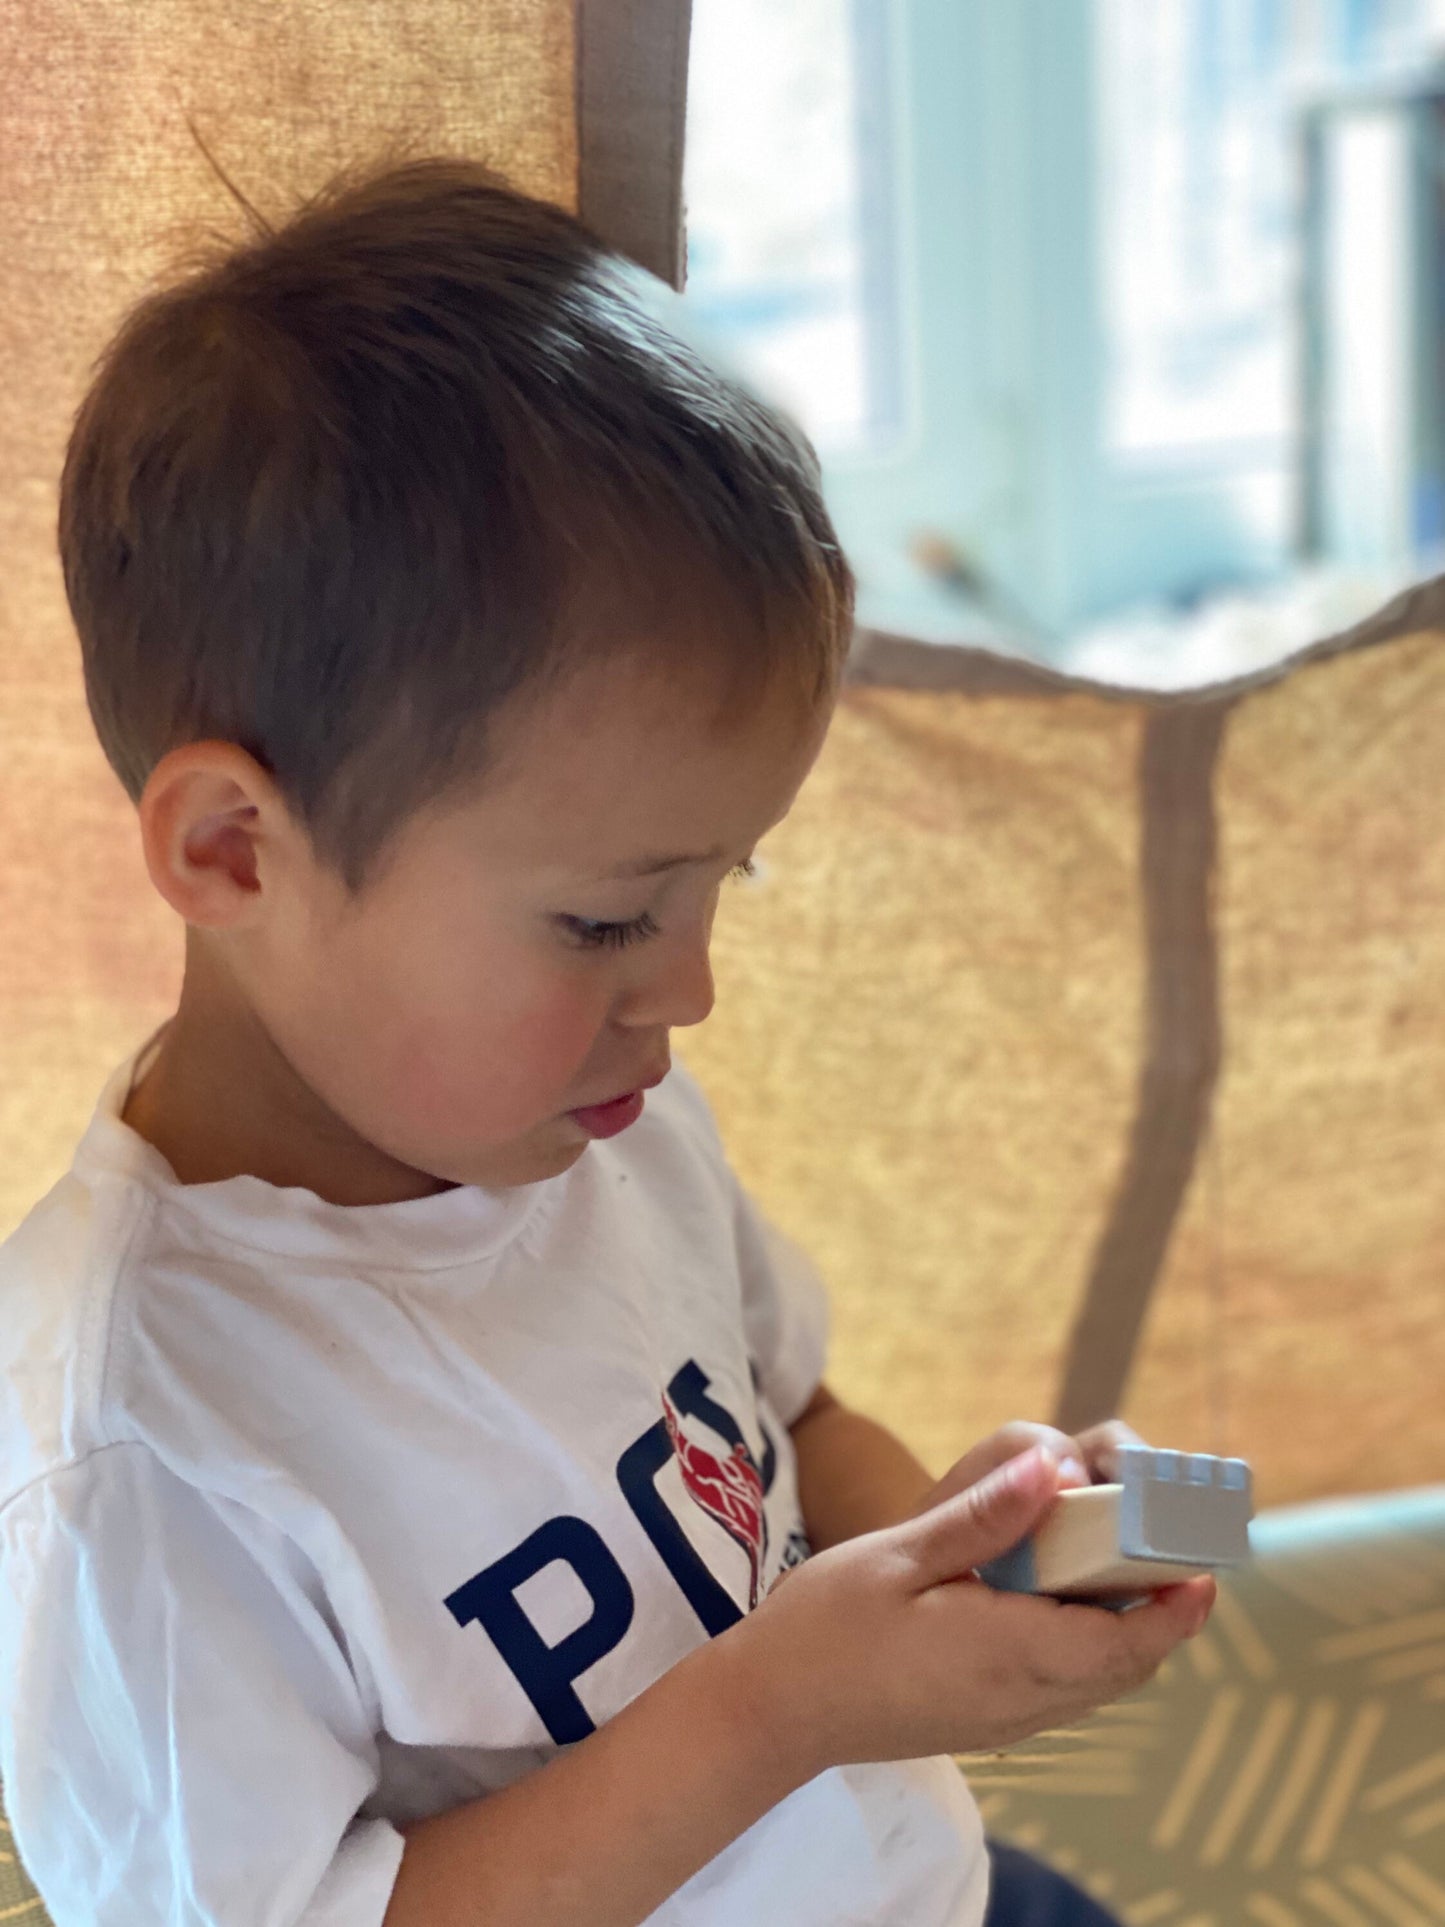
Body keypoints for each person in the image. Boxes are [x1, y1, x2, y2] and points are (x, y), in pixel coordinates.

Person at [0, 158, 1215, 1927]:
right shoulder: (137, 1440)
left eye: (725, 882)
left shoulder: (595, 1117)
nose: (688, 990)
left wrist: (953, 1555)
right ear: (235, 853)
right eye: (604, 922)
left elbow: (793, 1418)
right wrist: (784, 1704)